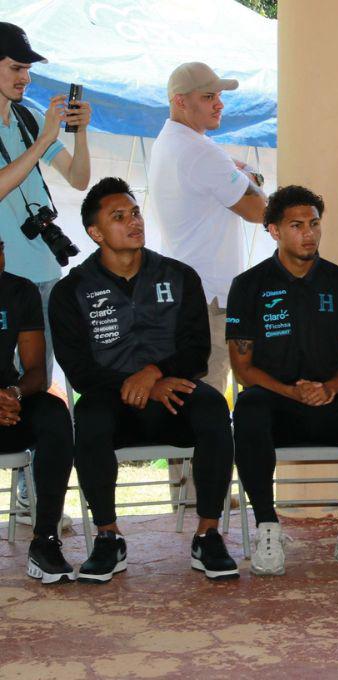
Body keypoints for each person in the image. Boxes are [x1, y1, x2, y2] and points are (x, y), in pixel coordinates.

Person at [49, 177, 238, 583]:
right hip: (111, 399)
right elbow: (78, 369)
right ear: (96, 233)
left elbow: (195, 351)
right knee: (88, 417)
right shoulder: (71, 291)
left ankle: (207, 534)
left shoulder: (179, 276)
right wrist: (135, 384)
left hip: (173, 394)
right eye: (119, 217)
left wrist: (154, 374)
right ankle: (108, 537)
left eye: (135, 213)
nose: (134, 222)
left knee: (212, 407)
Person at [228, 185, 338, 576]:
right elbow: (243, 368)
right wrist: (290, 391)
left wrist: (330, 388)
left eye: (314, 223)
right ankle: (268, 527)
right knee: (248, 407)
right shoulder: (248, 285)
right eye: (297, 225)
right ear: (274, 230)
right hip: (277, 405)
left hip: (332, 400)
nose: (309, 233)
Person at [148, 61, 267, 499]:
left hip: (183, 292)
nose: (219, 104)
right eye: (208, 97)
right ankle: (205, 496)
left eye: (219, 96)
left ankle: (187, 493)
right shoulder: (200, 151)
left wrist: (241, 177)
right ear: (180, 101)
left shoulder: (170, 142)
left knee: (187, 393)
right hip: (210, 295)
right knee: (209, 396)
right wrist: (250, 181)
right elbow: (260, 210)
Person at [0, 22, 91, 521]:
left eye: (28, 70)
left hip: (43, 272)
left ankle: (31, 489)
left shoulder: (29, 118)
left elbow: (79, 178)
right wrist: (42, 143)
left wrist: (80, 133)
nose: (25, 79)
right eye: (16, 68)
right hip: (4, 279)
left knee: (40, 381)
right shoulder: (35, 129)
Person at [0, 239, 75, 583]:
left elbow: (36, 372)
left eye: (0, 247)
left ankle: (45, 540)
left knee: (53, 412)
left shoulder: (19, 291)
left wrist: (13, 393)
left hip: (8, 406)